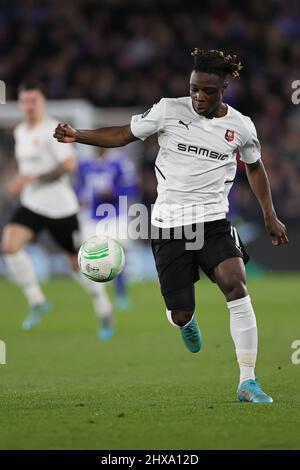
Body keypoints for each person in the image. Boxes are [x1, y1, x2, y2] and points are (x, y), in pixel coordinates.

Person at [54, 49, 288, 403]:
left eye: (207, 91)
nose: (198, 97)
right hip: (168, 226)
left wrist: (269, 215)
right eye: (194, 88)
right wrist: (78, 136)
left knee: (236, 286)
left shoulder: (241, 126)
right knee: (180, 313)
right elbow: (123, 135)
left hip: (213, 222)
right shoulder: (167, 110)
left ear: (224, 87)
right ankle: (186, 322)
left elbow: (254, 167)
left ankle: (247, 380)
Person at [1, 82, 113, 340]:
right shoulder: (20, 132)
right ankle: (37, 301)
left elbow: (69, 165)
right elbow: (27, 167)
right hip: (32, 204)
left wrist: (33, 179)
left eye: (34, 101)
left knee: (77, 265)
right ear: (19, 104)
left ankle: (103, 307)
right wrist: (18, 181)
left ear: (43, 103)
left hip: (61, 208)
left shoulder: (53, 130)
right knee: (9, 246)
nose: (29, 106)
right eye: (25, 101)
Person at [76, 147, 139, 309]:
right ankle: (99, 297)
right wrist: (79, 198)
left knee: (118, 255)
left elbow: (132, 188)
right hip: (91, 217)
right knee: (89, 257)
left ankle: (120, 293)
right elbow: (78, 187)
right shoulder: (85, 164)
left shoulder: (120, 163)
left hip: (115, 215)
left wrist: (113, 192)